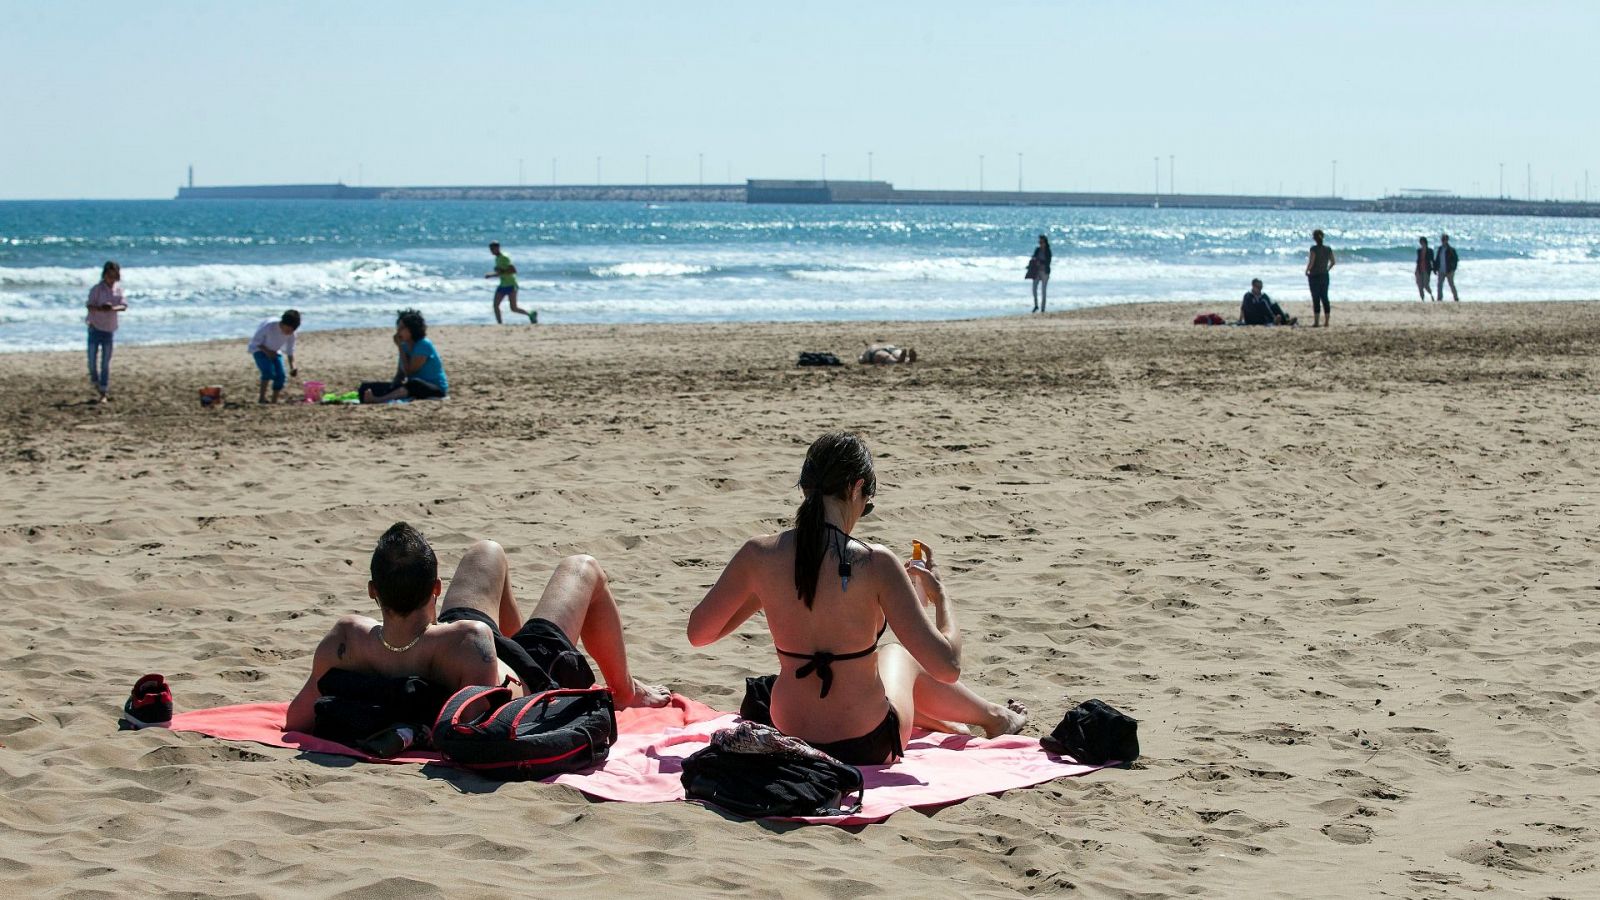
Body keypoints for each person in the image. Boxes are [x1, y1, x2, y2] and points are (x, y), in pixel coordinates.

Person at [688, 432, 1027, 765]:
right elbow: (947, 667)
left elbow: (700, 634)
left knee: (869, 664)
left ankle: (979, 717)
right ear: (856, 488)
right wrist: (940, 597)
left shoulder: (758, 555)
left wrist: (763, 591)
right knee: (894, 654)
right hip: (869, 743)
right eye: (867, 502)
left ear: (806, 489)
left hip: (791, 734)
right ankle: (994, 716)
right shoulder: (874, 561)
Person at [285, 522, 670, 733]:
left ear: (373, 591)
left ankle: (516, 634)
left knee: (487, 552)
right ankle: (625, 690)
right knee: (583, 567)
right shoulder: (471, 641)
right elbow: (489, 724)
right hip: (517, 665)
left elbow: (297, 719)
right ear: (436, 589)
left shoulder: (346, 639)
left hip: (442, 642)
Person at [360, 308, 449, 403]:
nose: (398, 331)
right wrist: (392, 386)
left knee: (414, 382)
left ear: (412, 329)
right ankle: (381, 395)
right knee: (365, 387)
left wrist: (400, 348)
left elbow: (410, 372)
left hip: (433, 388)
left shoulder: (423, 344)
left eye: (402, 328)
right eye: (398, 327)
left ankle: (378, 400)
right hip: (410, 386)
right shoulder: (405, 345)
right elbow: (400, 375)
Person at [85, 261, 126, 403]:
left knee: (105, 363)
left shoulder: (118, 289)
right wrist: (101, 308)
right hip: (95, 327)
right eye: (109, 275)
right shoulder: (97, 289)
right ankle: (95, 381)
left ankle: (103, 391)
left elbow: (124, 305)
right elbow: (89, 305)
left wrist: (112, 308)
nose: (112, 279)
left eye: (114, 276)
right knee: (91, 361)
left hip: (109, 329)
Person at [248, 310, 301, 404]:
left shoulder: (292, 333)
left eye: (292, 330)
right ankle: (262, 398)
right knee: (268, 371)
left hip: (275, 351)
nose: (289, 333)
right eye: (288, 330)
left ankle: (274, 400)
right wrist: (267, 352)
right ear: (283, 324)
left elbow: (290, 351)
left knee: (281, 375)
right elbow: (255, 342)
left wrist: (293, 366)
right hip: (259, 349)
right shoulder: (269, 326)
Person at [486, 242, 534, 324]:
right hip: (502, 285)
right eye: (490, 249)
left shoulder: (504, 257)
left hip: (511, 285)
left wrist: (499, 271)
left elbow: (513, 270)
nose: (491, 251)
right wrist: (492, 275)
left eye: (492, 249)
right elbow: (501, 273)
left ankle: (530, 314)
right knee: (495, 305)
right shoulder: (497, 259)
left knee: (513, 308)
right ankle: (499, 323)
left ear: (497, 248)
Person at [1305, 229, 1335, 327]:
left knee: (1316, 298)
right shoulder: (1328, 249)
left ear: (1314, 238)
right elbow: (1333, 262)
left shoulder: (1313, 249)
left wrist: (1307, 270)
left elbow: (1311, 262)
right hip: (1324, 275)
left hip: (1314, 276)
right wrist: (1327, 269)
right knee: (1325, 298)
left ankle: (1317, 322)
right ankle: (1326, 322)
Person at [1026, 235, 1052, 313]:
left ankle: (1043, 308)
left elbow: (1048, 262)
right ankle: (1036, 305)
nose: (1040, 244)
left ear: (1045, 242)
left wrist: (1040, 262)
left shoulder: (1048, 251)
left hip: (1044, 272)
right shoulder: (1037, 250)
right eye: (1039, 242)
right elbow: (1034, 257)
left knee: (1043, 290)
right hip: (1037, 271)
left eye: (1042, 242)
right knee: (1034, 289)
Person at [1436, 233, 1460, 302]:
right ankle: (1439, 298)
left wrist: (1453, 269)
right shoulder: (1440, 249)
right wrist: (1435, 268)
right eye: (1442, 239)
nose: (1443, 241)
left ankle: (1456, 298)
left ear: (1447, 240)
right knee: (1439, 285)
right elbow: (1437, 259)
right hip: (1441, 269)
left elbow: (1456, 260)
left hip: (1449, 270)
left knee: (1451, 284)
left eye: (1444, 239)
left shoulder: (1451, 250)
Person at [1415, 237, 1436, 301]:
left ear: (1425, 242)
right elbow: (1418, 261)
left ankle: (1431, 295)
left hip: (1427, 269)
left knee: (1426, 285)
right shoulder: (1419, 251)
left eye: (1422, 242)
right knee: (1419, 285)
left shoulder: (1430, 251)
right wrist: (1416, 270)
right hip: (1419, 269)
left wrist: (1434, 269)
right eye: (1421, 242)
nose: (1421, 244)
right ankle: (1422, 298)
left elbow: (1432, 260)